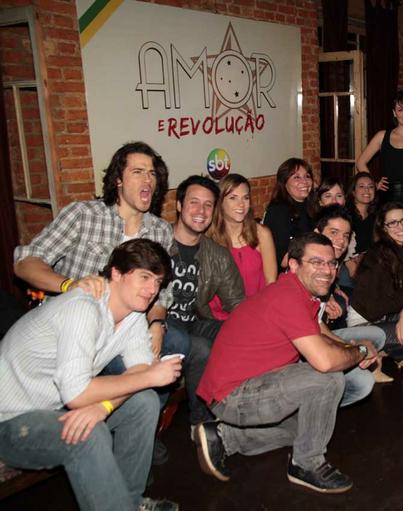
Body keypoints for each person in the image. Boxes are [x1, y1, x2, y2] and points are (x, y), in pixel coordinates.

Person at [0, 239, 181, 511]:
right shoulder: (83, 308)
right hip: (11, 422)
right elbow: (77, 394)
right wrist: (151, 377)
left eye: (158, 281)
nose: (152, 289)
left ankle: (130, 503)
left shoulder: (132, 315)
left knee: (144, 402)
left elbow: (139, 371)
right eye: (144, 277)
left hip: (54, 406)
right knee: (89, 433)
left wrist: (104, 405)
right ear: (117, 274)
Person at [194, 232, 378, 493]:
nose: (327, 270)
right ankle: (307, 464)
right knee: (327, 379)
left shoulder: (298, 291)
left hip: (244, 386)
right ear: (294, 265)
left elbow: (318, 329)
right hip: (232, 395)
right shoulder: (287, 297)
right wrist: (359, 351)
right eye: (316, 262)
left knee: (306, 428)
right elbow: (324, 363)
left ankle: (224, 437)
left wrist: (351, 346)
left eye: (331, 263)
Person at [13, 141, 174, 359]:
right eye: (138, 172)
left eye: (152, 173)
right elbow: (25, 263)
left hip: (126, 328)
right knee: (141, 390)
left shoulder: (161, 230)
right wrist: (69, 285)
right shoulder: (83, 215)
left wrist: (156, 323)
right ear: (118, 180)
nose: (147, 179)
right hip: (75, 327)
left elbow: (162, 293)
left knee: (179, 343)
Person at [165, 175, 245, 428]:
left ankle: (241, 406)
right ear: (179, 205)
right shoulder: (156, 238)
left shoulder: (217, 255)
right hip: (159, 322)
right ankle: (201, 424)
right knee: (200, 348)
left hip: (193, 321)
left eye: (208, 205)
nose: (201, 211)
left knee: (238, 332)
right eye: (194, 203)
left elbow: (238, 305)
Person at [347, 202, 403, 364]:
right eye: (393, 223)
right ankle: (379, 354)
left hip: (387, 315)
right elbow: (372, 309)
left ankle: (397, 353)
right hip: (364, 323)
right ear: (384, 228)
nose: (401, 227)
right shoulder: (377, 256)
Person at [314, 205, 389, 397]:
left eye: (345, 235)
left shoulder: (333, 266)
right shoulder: (307, 267)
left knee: (377, 336)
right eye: (333, 232)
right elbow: (310, 327)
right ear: (317, 233)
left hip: (319, 332)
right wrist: (354, 349)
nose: (340, 241)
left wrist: (332, 293)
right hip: (304, 348)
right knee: (362, 383)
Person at [207, 173, 278, 320]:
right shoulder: (209, 237)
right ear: (220, 202)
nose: (241, 204)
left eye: (245, 198)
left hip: (256, 314)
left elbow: (271, 283)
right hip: (219, 318)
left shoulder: (261, 234)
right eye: (233, 198)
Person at [263, 158, 315, 266]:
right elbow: (283, 262)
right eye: (296, 177)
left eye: (307, 176)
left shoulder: (314, 207)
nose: (304, 181)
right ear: (284, 182)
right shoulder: (277, 212)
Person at [346, 171, 377, 256]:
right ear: (353, 192)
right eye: (361, 186)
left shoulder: (376, 218)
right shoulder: (346, 216)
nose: (367, 190)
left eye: (371, 186)